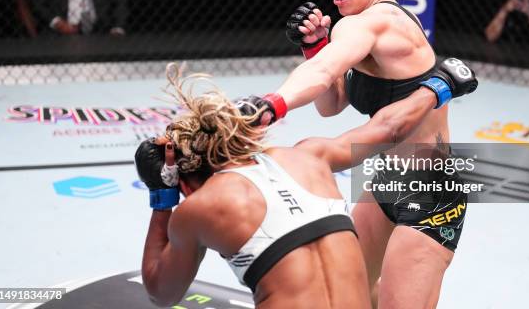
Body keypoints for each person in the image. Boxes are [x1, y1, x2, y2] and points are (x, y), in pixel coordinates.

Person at [237, 0, 478, 308]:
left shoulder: (375, 22)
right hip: (388, 178)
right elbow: (331, 104)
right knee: (343, 295)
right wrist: (314, 46)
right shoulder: (359, 24)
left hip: (432, 192)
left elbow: (325, 70)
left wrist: (272, 104)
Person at [136, 61, 477, 308]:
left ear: (180, 177)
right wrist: (440, 85)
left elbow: (160, 293)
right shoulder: (308, 156)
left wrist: (163, 198)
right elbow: (388, 129)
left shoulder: (200, 208)